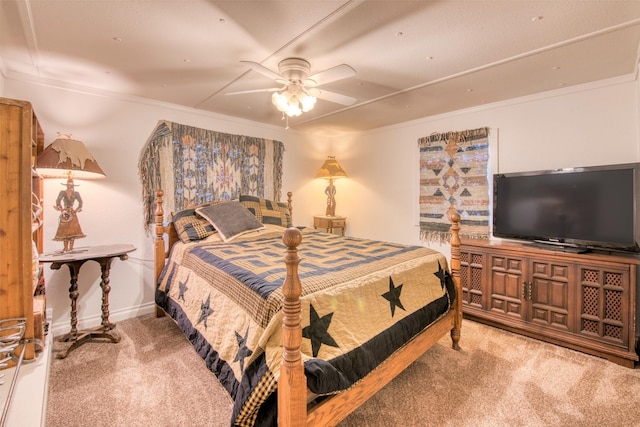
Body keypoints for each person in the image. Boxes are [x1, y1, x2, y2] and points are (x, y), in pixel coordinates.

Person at [54, 178, 86, 252]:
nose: (70, 186)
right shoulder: (62, 192)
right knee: (64, 230)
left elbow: (80, 202)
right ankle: (65, 248)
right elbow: (58, 201)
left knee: (73, 230)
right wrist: (61, 209)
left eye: (71, 184)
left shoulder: (76, 193)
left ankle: (71, 248)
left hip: (72, 212)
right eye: (68, 184)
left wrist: (76, 210)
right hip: (65, 212)